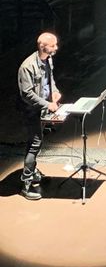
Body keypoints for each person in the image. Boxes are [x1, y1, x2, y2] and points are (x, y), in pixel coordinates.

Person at [17, 32, 62, 200]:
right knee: (35, 142)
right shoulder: (27, 66)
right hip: (31, 110)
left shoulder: (48, 60)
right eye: (52, 45)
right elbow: (26, 94)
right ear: (43, 47)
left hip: (42, 108)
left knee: (37, 140)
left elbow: (51, 80)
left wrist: (55, 92)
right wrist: (47, 104)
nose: (56, 48)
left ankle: (33, 172)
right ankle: (26, 182)